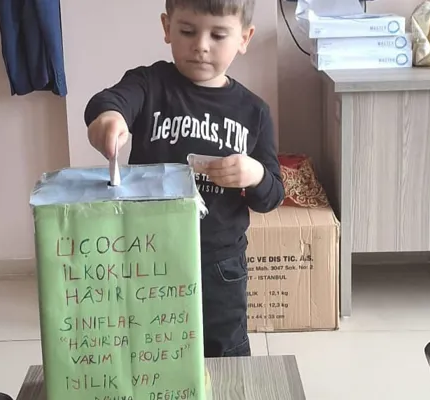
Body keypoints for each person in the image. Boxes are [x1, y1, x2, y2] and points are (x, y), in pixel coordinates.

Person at [83, 0, 284, 358]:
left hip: (219, 264)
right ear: (167, 27)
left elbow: (272, 195)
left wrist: (253, 175)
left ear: (244, 37)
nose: (201, 46)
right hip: (148, 255)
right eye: (188, 31)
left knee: (224, 352)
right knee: (151, 346)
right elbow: (110, 101)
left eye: (218, 35)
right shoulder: (149, 83)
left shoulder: (254, 111)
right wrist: (109, 119)